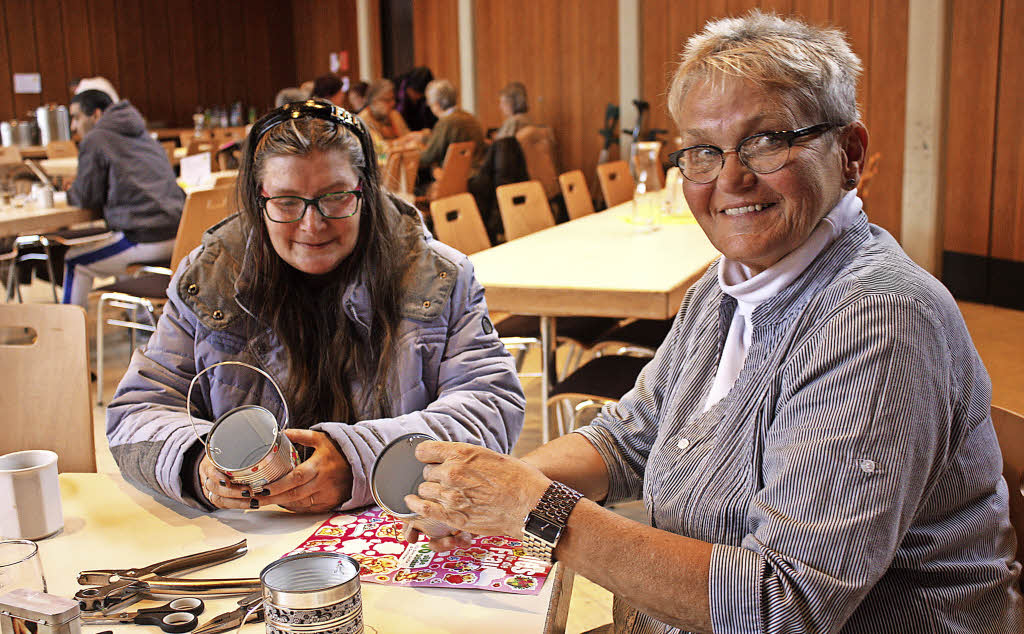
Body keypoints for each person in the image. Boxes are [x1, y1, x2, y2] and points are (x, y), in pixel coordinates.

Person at [403, 12, 1024, 633]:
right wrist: (488, 488)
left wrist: (537, 510)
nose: (731, 178)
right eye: (704, 150)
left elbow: (782, 606)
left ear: (850, 154)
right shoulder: (725, 287)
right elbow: (628, 437)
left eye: (767, 141)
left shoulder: (879, 319)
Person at [106, 100, 525, 514]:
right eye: (287, 202)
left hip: (395, 524)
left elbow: (490, 406)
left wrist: (360, 461)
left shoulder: (437, 276)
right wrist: (198, 464)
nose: (312, 224)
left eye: (336, 197)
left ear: (366, 191)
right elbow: (139, 412)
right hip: (248, 538)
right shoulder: (207, 279)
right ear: (259, 200)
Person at [63, 89, 184, 308]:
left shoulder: (95, 138)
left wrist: (71, 188)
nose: (73, 126)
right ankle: (137, 323)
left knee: (74, 261)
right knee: (115, 239)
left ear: (96, 115)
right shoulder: (143, 135)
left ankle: (66, 338)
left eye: (76, 117)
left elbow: (85, 197)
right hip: (180, 236)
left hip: (145, 238)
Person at [418, 79, 484, 174]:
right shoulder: (468, 116)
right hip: (476, 172)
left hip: (457, 177)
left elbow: (428, 157)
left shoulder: (446, 122)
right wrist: (424, 138)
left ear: (436, 104)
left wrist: (412, 152)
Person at [396, 66, 437, 131]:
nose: (416, 97)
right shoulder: (398, 93)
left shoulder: (427, 99)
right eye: (414, 92)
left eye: (420, 95)